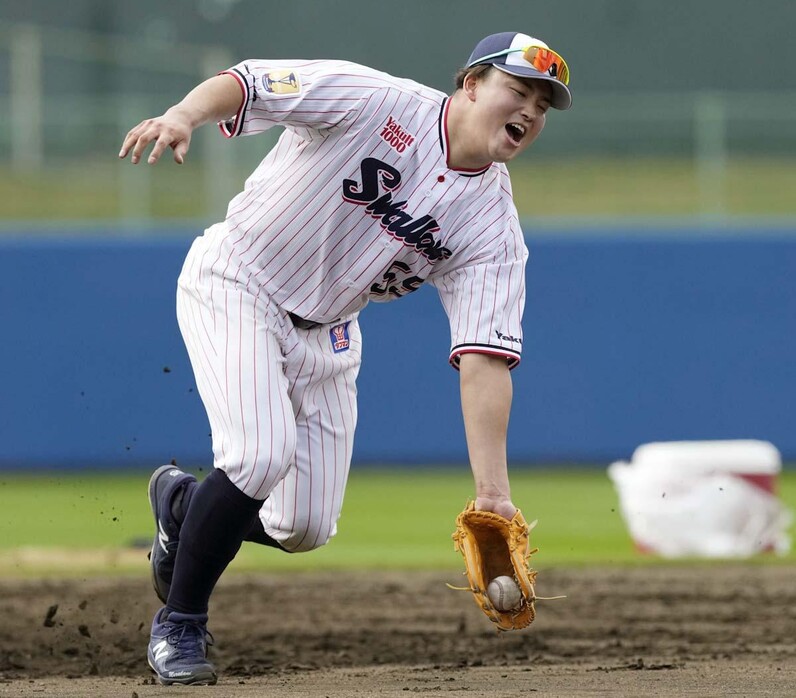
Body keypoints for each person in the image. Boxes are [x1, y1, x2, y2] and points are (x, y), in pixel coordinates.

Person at [119, 30, 571, 686]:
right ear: (470, 84)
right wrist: (184, 114)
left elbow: (485, 360)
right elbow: (250, 83)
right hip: (240, 281)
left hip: (327, 331)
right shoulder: (375, 101)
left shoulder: (493, 228)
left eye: (543, 104)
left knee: (303, 526)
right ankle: (180, 624)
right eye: (518, 90)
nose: (530, 110)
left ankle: (185, 508)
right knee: (259, 457)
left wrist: (494, 493)